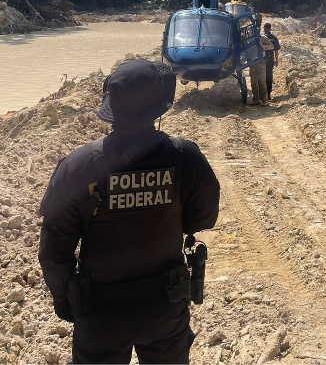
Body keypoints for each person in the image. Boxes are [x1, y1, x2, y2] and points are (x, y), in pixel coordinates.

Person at [38, 58, 220, 365]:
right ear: (158, 107)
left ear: (112, 107)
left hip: (99, 313)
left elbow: (55, 249)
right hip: (165, 305)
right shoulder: (184, 156)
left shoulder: (78, 167)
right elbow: (204, 217)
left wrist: (62, 299)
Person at [249, 34, 273, 106]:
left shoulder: (263, 38)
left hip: (261, 62)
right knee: (253, 82)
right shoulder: (249, 38)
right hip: (252, 63)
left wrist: (263, 46)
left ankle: (265, 101)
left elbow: (272, 46)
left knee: (262, 82)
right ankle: (256, 99)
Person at [262, 22, 281, 100]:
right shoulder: (274, 38)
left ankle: (263, 95)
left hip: (262, 60)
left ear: (264, 29)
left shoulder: (261, 37)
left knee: (262, 77)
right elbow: (276, 50)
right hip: (270, 60)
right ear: (270, 29)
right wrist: (277, 60)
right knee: (269, 76)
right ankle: (268, 94)